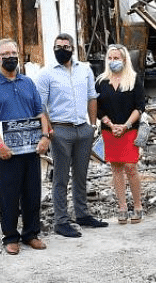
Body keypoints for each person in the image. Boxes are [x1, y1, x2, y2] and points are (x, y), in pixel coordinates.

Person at [0, 38, 53, 255]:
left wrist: (45, 135)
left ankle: (31, 233)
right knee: (9, 193)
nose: (11, 57)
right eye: (6, 54)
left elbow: (40, 112)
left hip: (30, 148)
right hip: (6, 151)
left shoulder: (28, 83)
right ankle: (10, 237)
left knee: (32, 192)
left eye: (14, 52)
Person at [36, 33, 108, 238]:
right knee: (60, 177)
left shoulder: (84, 70)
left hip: (82, 129)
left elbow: (92, 97)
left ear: (73, 49)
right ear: (53, 48)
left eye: (66, 46)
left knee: (81, 175)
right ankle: (61, 221)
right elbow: (40, 106)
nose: (62, 49)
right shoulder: (46, 74)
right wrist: (48, 131)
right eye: (58, 46)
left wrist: (92, 125)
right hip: (60, 130)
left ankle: (82, 214)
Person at [93, 44, 148, 224]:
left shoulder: (133, 79)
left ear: (124, 60)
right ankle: (122, 206)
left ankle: (138, 205)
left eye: (116, 58)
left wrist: (124, 125)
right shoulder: (101, 81)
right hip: (110, 131)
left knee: (131, 167)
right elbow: (98, 109)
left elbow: (139, 106)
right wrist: (110, 123)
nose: (113, 61)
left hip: (129, 129)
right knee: (116, 168)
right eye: (110, 58)